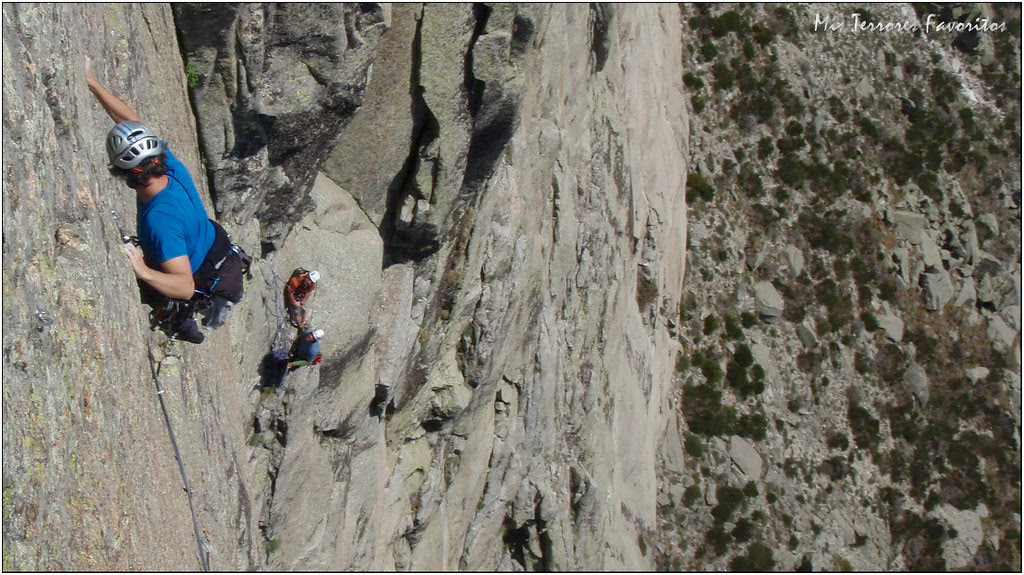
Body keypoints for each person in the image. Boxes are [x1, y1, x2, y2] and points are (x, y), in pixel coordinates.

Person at [87, 56, 248, 343]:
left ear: (122, 173)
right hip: (213, 244)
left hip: (199, 272)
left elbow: (184, 286)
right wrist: (91, 82)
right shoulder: (170, 167)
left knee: (157, 292)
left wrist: (143, 270)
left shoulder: (159, 220)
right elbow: (130, 121)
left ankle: (184, 327)